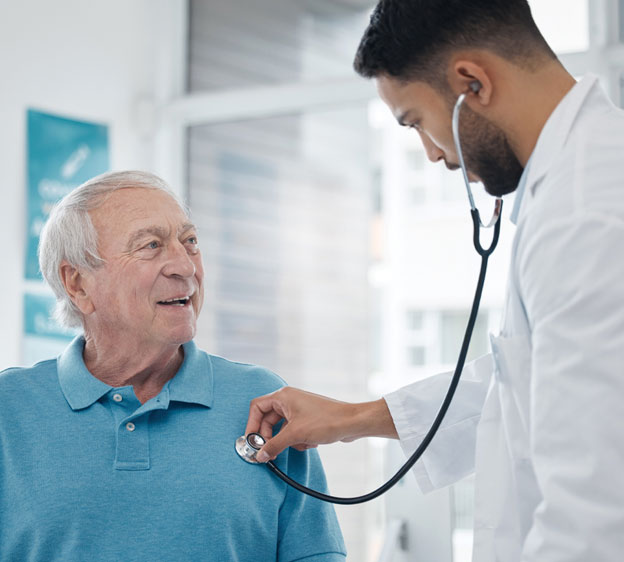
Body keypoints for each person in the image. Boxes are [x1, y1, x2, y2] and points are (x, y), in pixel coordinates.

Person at [245, 1, 624, 560]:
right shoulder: (576, 185)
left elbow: (592, 518)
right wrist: (350, 419)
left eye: (417, 121)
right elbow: (521, 387)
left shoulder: (587, 214)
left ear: (472, 82)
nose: (431, 154)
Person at [0, 171, 346, 561]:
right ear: (78, 283)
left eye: (190, 241)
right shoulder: (8, 408)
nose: (185, 266)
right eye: (150, 245)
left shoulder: (264, 400)